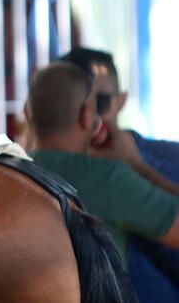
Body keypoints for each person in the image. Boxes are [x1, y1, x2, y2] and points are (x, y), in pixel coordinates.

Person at [27, 62, 179, 263]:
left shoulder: (3, 172)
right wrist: (136, 164)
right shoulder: (110, 178)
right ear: (87, 115)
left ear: (27, 113)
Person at [60, 47, 179, 298]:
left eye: (100, 103)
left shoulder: (171, 159)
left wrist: (138, 167)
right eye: (80, 104)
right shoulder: (48, 175)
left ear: (121, 101)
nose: (90, 117)